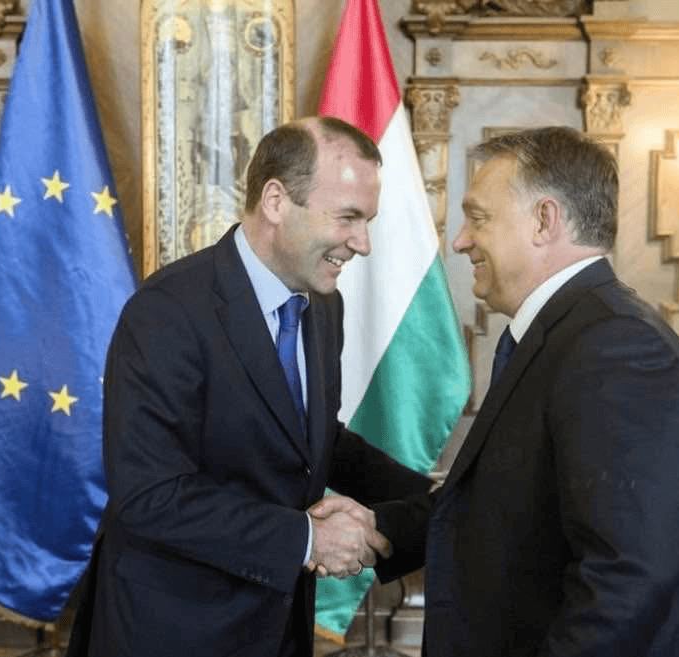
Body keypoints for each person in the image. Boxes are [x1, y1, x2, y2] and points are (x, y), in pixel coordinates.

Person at [318, 126, 679, 656]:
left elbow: (628, 577)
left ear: (544, 220)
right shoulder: (569, 333)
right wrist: (381, 528)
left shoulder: (616, 348)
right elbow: (506, 506)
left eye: (478, 218)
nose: (461, 240)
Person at [76, 117, 433, 657]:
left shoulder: (323, 306)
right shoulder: (167, 310)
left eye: (368, 221)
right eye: (348, 218)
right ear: (275, 201)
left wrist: (439, 502)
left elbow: (312, 440)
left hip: (280, 624)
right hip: (175, 631)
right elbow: (150, 494)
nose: (363, 244)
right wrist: (307, 539)